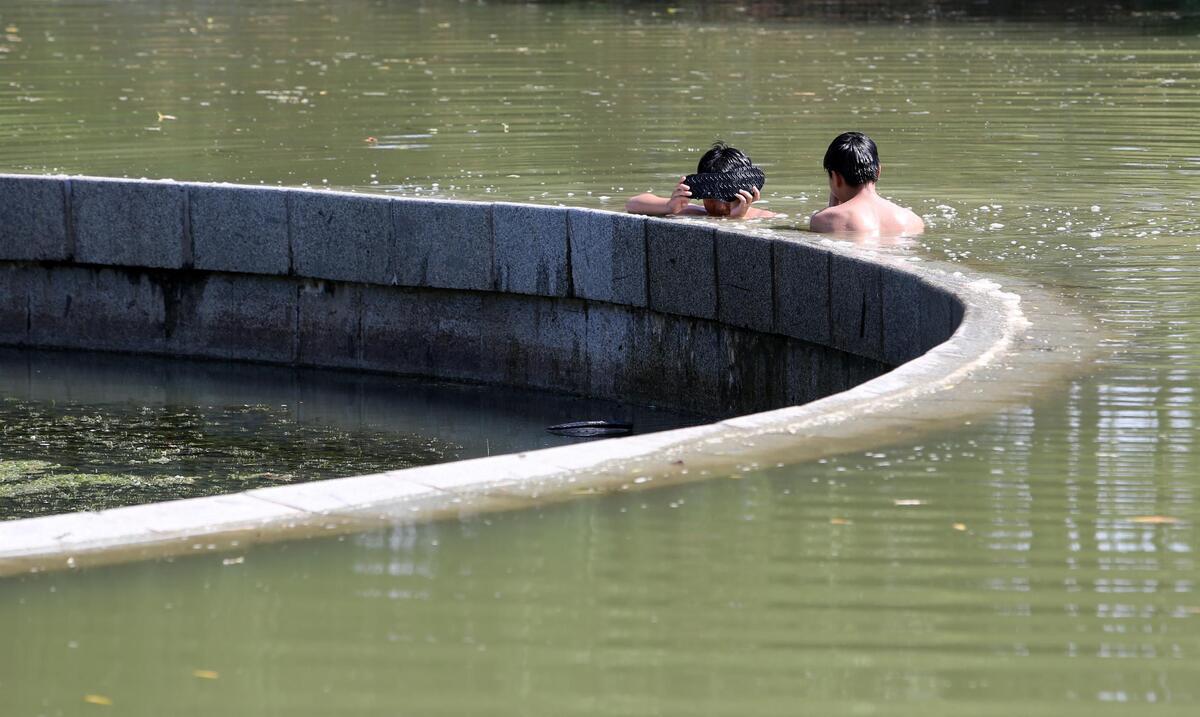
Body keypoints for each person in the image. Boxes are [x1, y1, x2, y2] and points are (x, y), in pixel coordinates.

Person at [809, 131, 924, 236]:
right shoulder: (912, 220)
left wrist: (832, 209)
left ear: (836, 177)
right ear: (878, 171)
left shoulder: (823, 220)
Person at [625, 141, 776, 219]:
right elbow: (632, 204)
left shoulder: (764, 218)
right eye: (711, 197)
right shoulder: (693, 212)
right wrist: (669, 206)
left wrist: (737, 219)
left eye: (728, 198)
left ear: (748, 193)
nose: (720, 207)